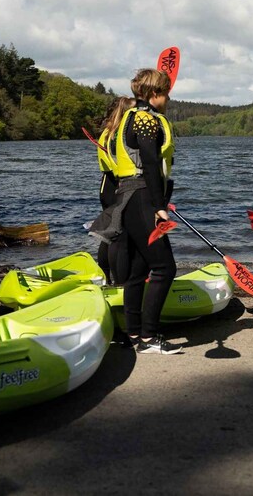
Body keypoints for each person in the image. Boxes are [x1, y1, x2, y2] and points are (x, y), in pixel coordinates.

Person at [108, 68, 180, 355]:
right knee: (165, 267)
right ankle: (149, 337)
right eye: (165, 91)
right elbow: (150, 164)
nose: (168, 96)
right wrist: (159, 207)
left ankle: (133, 332)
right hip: (141, 198)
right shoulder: (145, 120)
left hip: (128, 197)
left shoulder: (129, 116)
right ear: (153, 94)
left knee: (140, 269)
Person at [95, 96, 135, 284]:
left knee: (110, 234)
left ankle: (107, 277)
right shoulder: (117, 135)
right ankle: (119, 281)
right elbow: (118, 163)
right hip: (117, 184)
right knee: (118, 235)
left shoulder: (108, 132)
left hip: (108, 185)